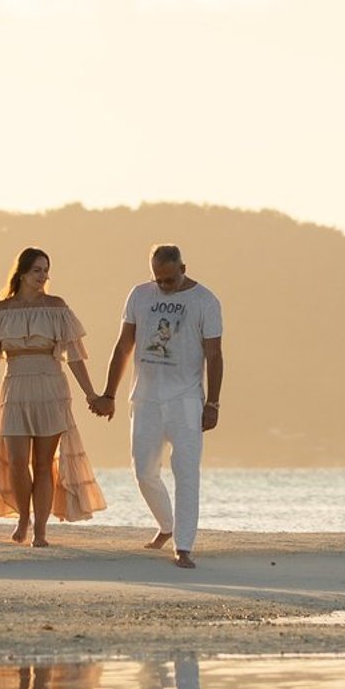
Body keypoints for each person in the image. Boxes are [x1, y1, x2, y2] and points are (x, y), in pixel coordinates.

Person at [0, 246, 107, 547]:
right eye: (37, 270)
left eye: (46, 270)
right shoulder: (0, 312)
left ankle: (41, 531)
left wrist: (91, 394)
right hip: (15, 388)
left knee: (44, 463)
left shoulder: (57, 307)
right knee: (18, 462)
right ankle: (23, 518)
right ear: (22, 273)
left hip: (50, 388)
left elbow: (74, 357)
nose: (43, 276)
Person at [94, 243, 224, 568]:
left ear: (183, 268)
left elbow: (214, 355)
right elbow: (124, 345)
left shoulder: (205, 301)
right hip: (146, 397)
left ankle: (183, 546)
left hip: (186, 401)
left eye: (169, 279)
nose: (164, 286)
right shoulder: (140, 295)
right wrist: (109, 394)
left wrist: (214, 403)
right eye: (158, 280)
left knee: (186, 473)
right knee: (143, 471)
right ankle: (167, 526)